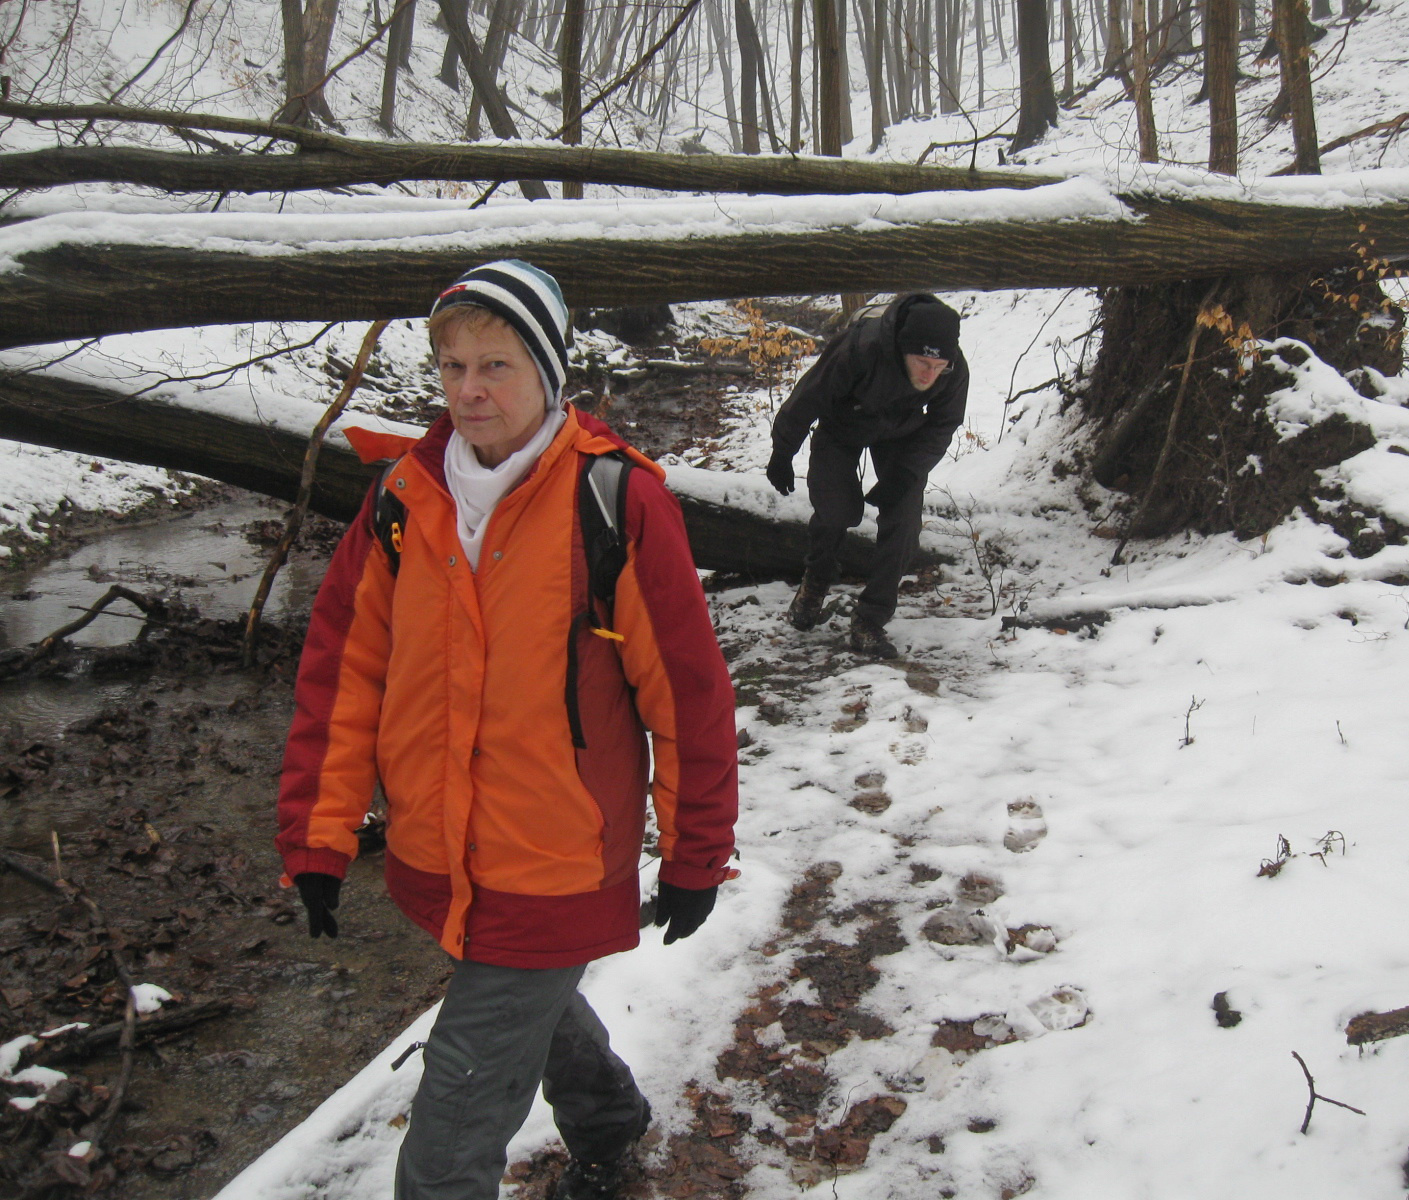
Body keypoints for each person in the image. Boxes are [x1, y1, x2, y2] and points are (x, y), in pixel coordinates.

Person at [276, 260, 739, 1200]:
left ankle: (596, 1129)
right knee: (524, 996)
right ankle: (609, 1122)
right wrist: (318, 836)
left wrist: (696, 855)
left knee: (451, 1125)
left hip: (558, 853)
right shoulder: (403, 500)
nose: (471, 389)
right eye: (453, 367)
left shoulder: (613, 503)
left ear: (549, 373)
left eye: (497, 365)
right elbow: (343, 677)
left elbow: (685, 699)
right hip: (439, 846)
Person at [765, 293, 968, 659]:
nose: (930, 374)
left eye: (939, 367)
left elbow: (944, 422)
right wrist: (783, 451)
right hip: (842, 426)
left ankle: (870, 620)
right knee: (836, 509)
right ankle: (816, 582)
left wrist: (907, 471)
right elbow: (808, 397)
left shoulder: (951, 365)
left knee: (904, 521)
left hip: (901, 434)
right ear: (902, 349)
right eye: (922, 363)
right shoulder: (860, 347)